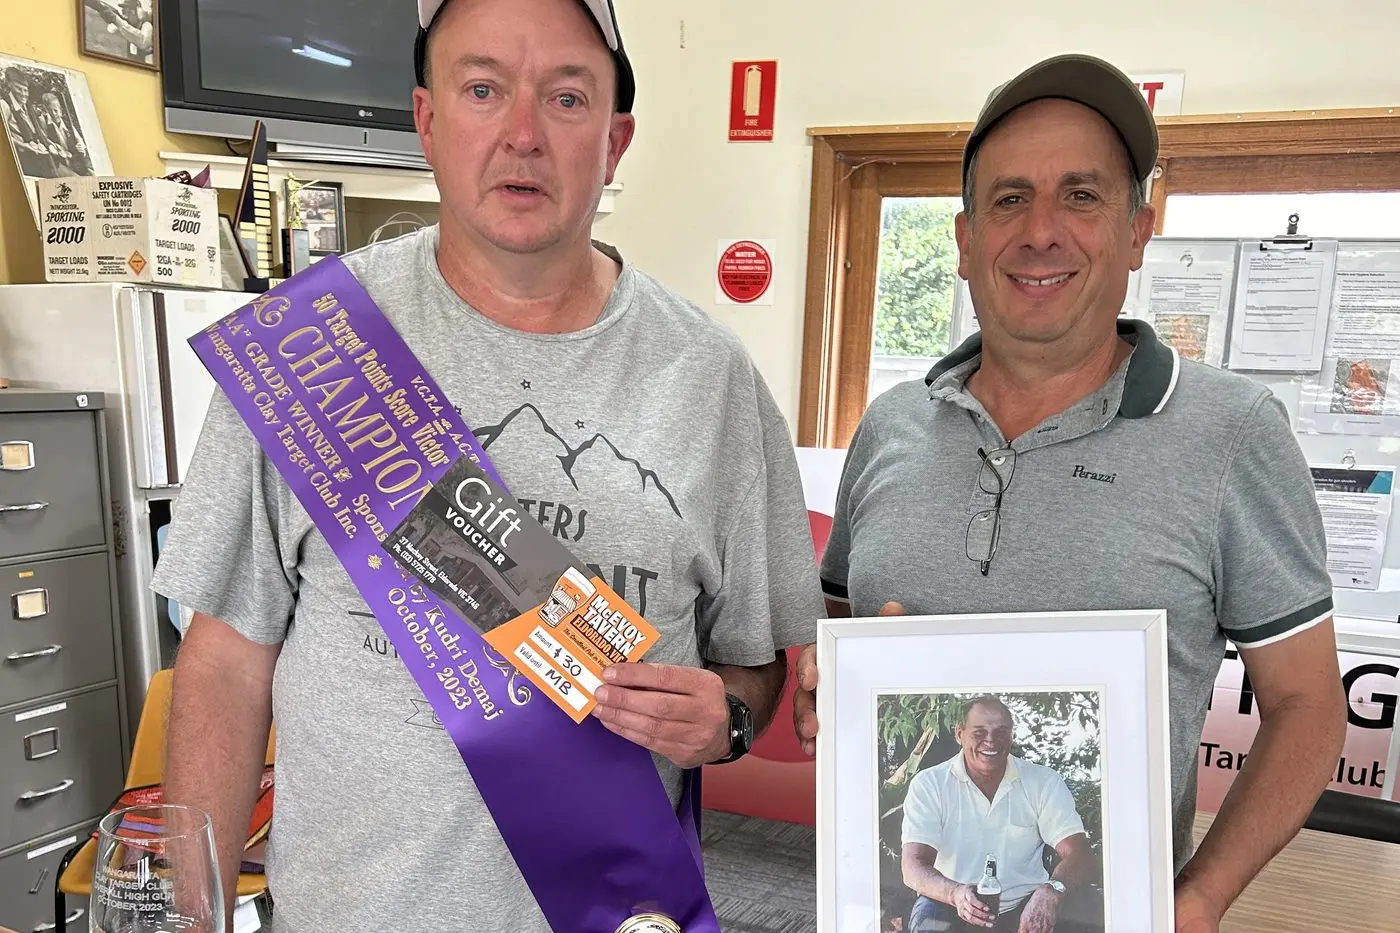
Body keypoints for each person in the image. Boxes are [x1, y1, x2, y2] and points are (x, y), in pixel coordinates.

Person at [152, 1, 823, 931]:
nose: (522, 135)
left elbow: (755, 666)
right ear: (428, 120)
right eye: (483, 89)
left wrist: (731, 720)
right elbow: (224, 666)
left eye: (566, 97)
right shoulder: (312, 348)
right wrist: (194, 916)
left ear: (616, 139)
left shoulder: (715, 383)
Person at [793, 53, 1348, 933]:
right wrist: (832, 684)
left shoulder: (1234, 432)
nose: (1041, 231)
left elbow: (1309, 707)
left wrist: (1197, 901)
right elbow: (828, 650)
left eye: (1082, 195)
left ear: (1138, 229)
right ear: (965, 239)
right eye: (1009, 198)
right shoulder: (890, 424)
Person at [900, 697, 1097, 933]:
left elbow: (1080, 854)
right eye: (979, 732)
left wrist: (1051, 891)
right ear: (959, 733)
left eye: (1001, 731)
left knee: (1088, 905)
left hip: (1027, 902)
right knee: (928, 920)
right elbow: (912, 866)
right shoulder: (930, 784)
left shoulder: (1043, 781)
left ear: (1012, 735)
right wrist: (954, 893)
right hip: (953, 902)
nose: (991, 740)